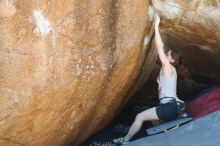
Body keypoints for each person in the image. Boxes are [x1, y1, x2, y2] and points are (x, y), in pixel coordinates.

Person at [113, 14, 186, 145]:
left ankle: (125, 141)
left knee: (140, 117)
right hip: (172, 107)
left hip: (168, 107)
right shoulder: (171, 70)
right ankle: (133, 131)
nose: (165, 54)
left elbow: (159, 48)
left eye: (167, 54)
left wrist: (156, 27)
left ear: (172, 60)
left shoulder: (168, 67)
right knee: (152, 119)